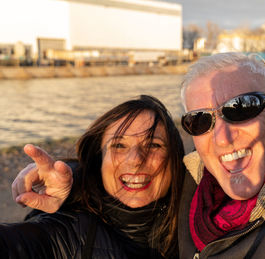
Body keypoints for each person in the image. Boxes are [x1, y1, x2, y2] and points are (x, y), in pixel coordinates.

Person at [12, 53, 265, 258]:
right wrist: (78, 181)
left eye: (243, 106)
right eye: (200, 120)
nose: (223, 135)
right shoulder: (194, 190)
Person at [2, 95, 185, 258]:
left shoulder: (198, 221)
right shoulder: (69, 232)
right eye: (119, 146)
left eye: (153, 145)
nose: (136, 160)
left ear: (174, 159)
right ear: (99, 161)